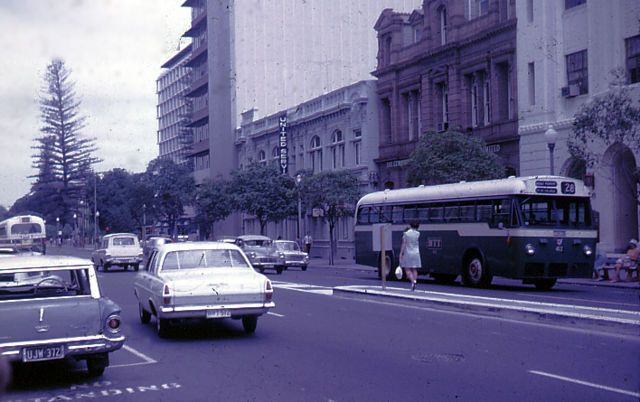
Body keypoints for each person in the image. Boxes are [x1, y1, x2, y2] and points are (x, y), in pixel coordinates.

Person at [399, 221, 421, 291]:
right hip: (416, 253)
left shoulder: (406, 234)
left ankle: (412, 281)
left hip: (408, 253)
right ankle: (415, 281)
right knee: (414, 269)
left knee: (407, 269)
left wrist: (401, 253)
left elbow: (404, 243)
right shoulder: (418, 234)